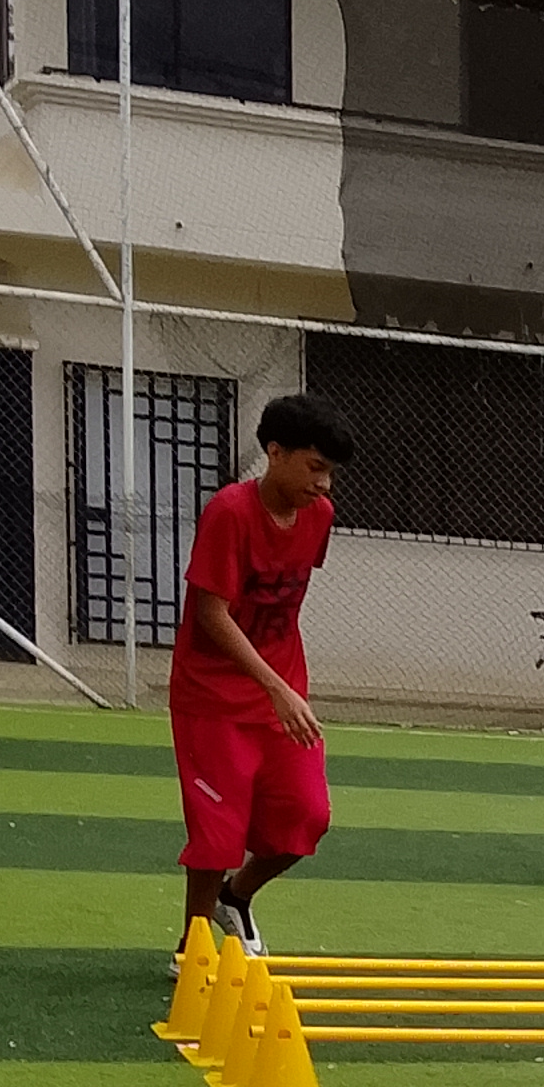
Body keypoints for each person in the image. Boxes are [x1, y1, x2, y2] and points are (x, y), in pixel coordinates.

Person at [171, 388, 354, 959]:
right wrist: (275, 687)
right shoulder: (229, 511)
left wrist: (284, 687)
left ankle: (237, 896)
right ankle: (192, 946)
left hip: (280, 694)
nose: (325, 484)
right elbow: (211, 613)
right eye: (315, 467)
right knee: (218, 831)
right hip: (212, 696)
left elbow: (282, 602)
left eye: (331, 473)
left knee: (307, 817)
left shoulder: (318, 516)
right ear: (275, 453)